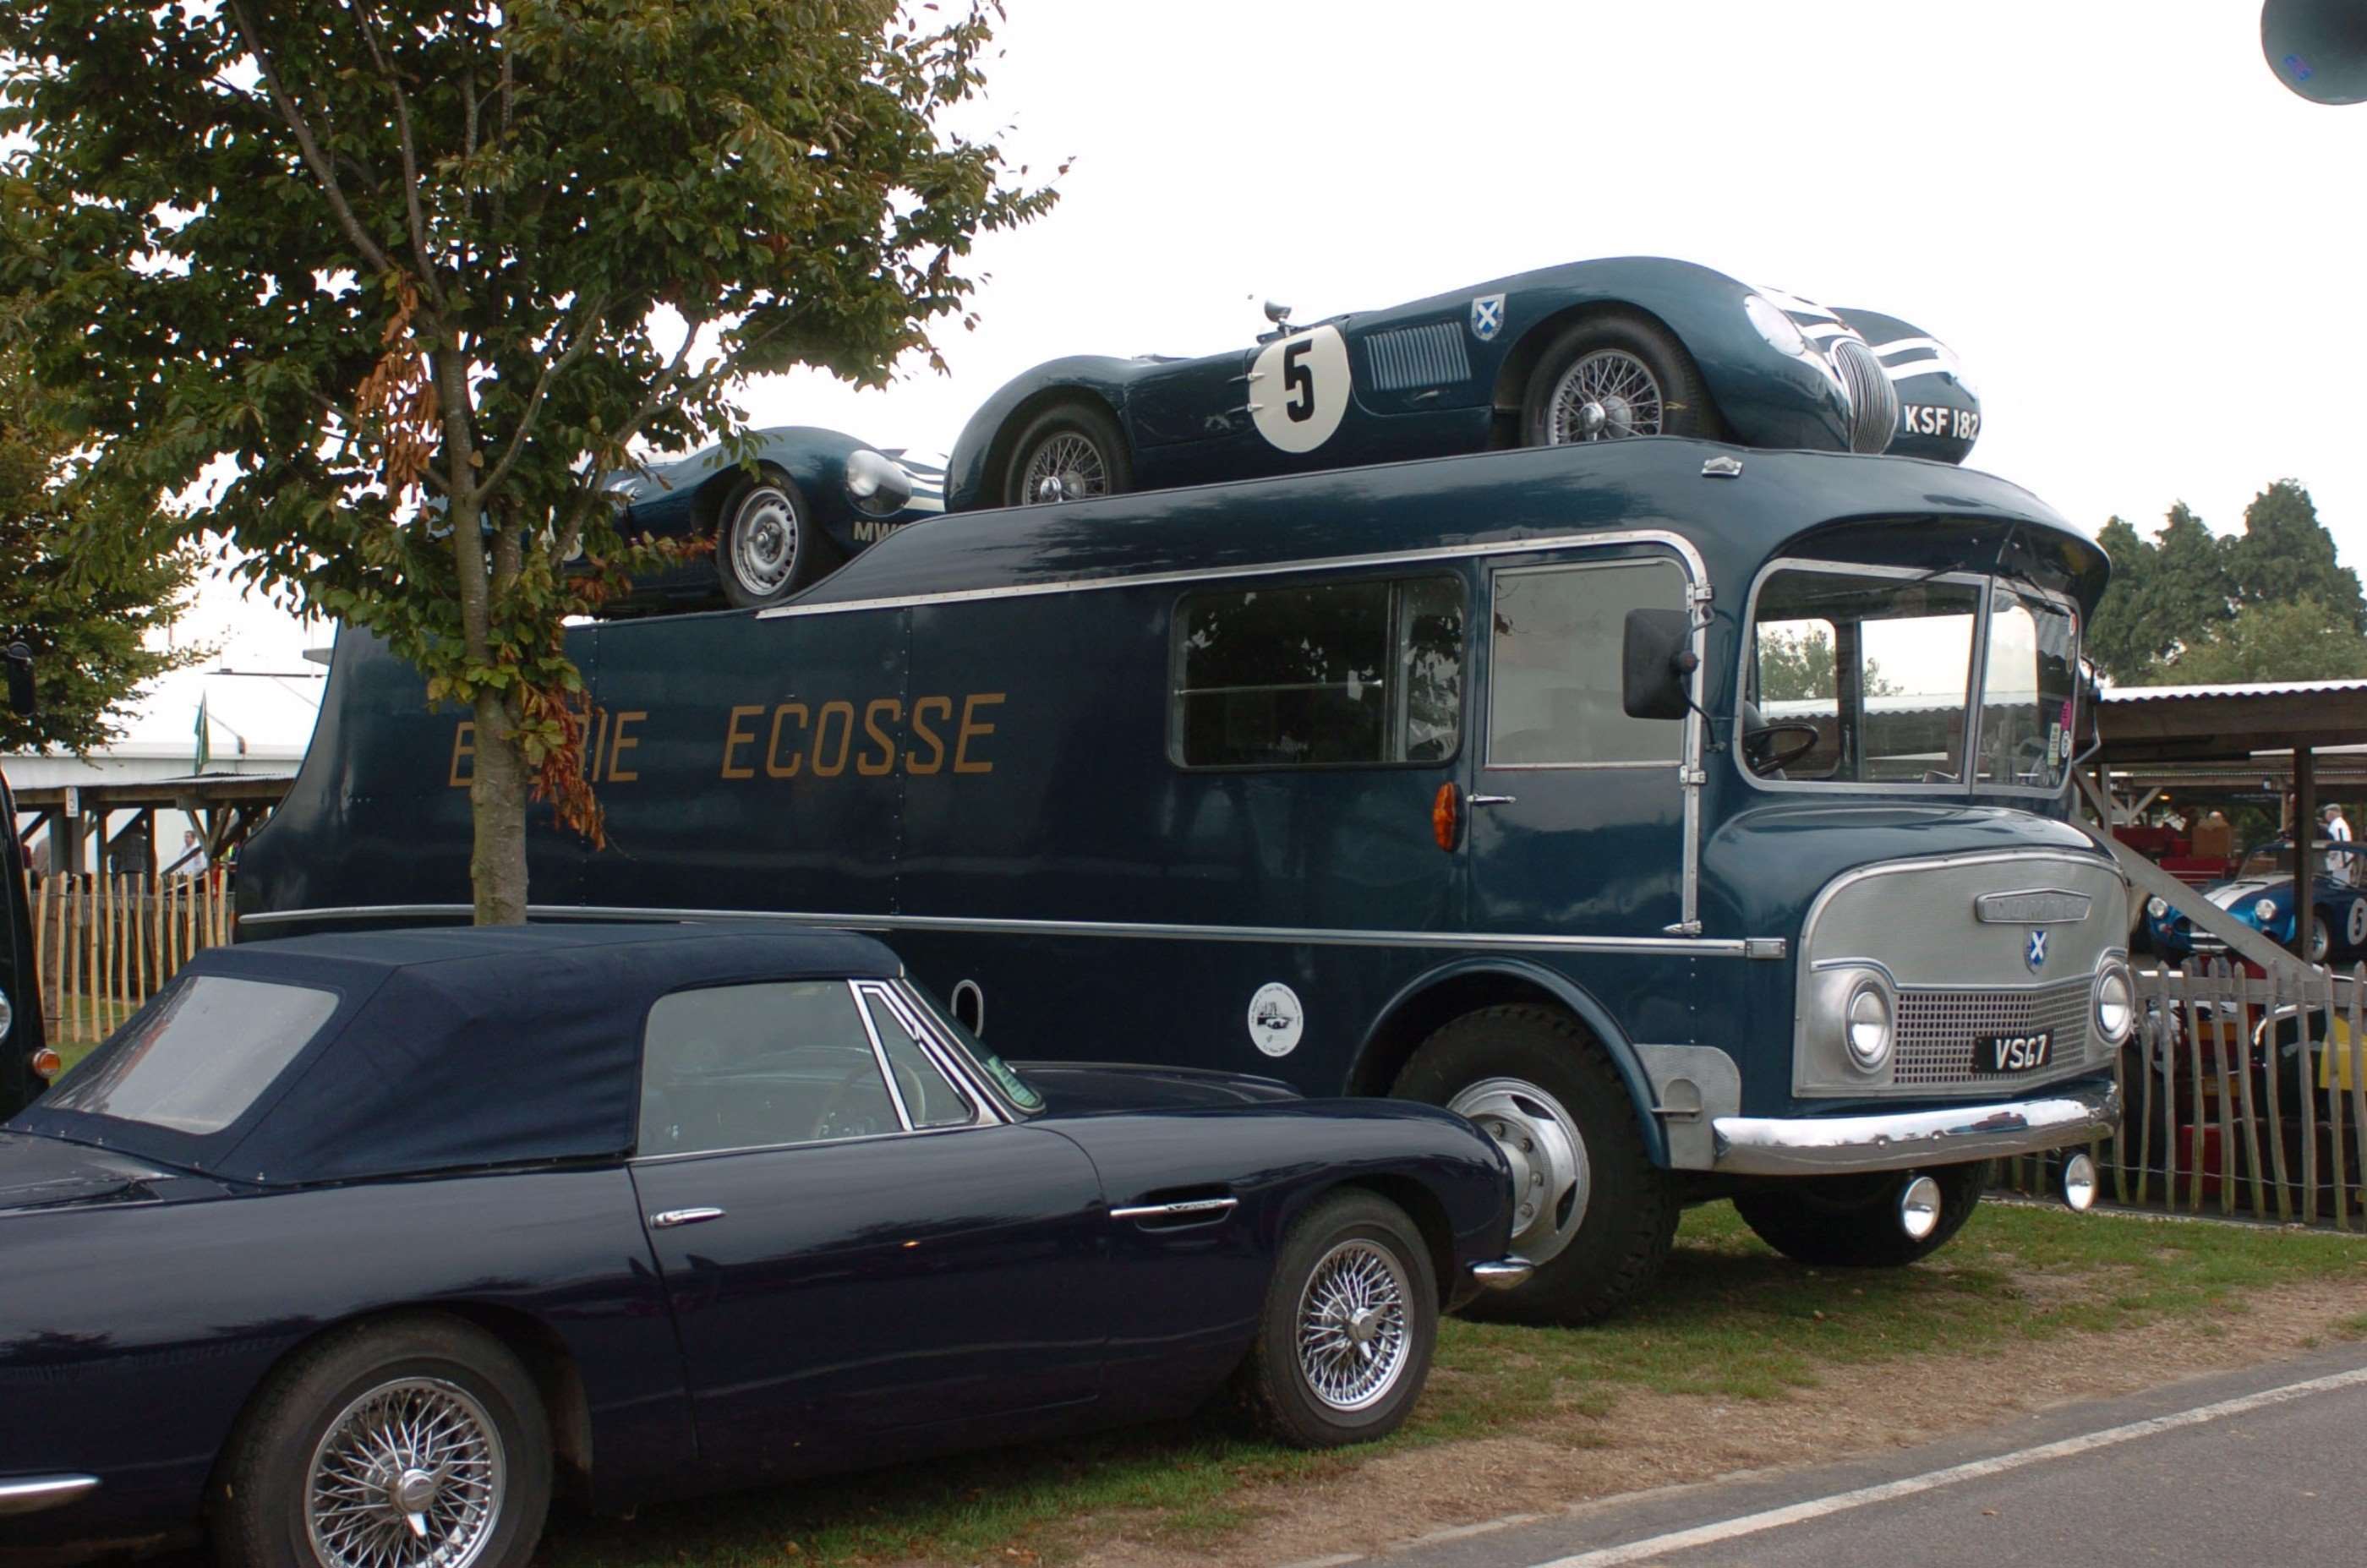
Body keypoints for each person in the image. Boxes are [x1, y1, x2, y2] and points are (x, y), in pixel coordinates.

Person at [2323, 802, 2355, 886]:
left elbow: (2340, 840)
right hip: (2342, 856)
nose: (2326, 816)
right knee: (2340, 881)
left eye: (2326, 813)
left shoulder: (2337, 824)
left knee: (2339, 883)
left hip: (2340, 857)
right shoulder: (2339, 823)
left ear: (2331, 813)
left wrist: (2334, 853)